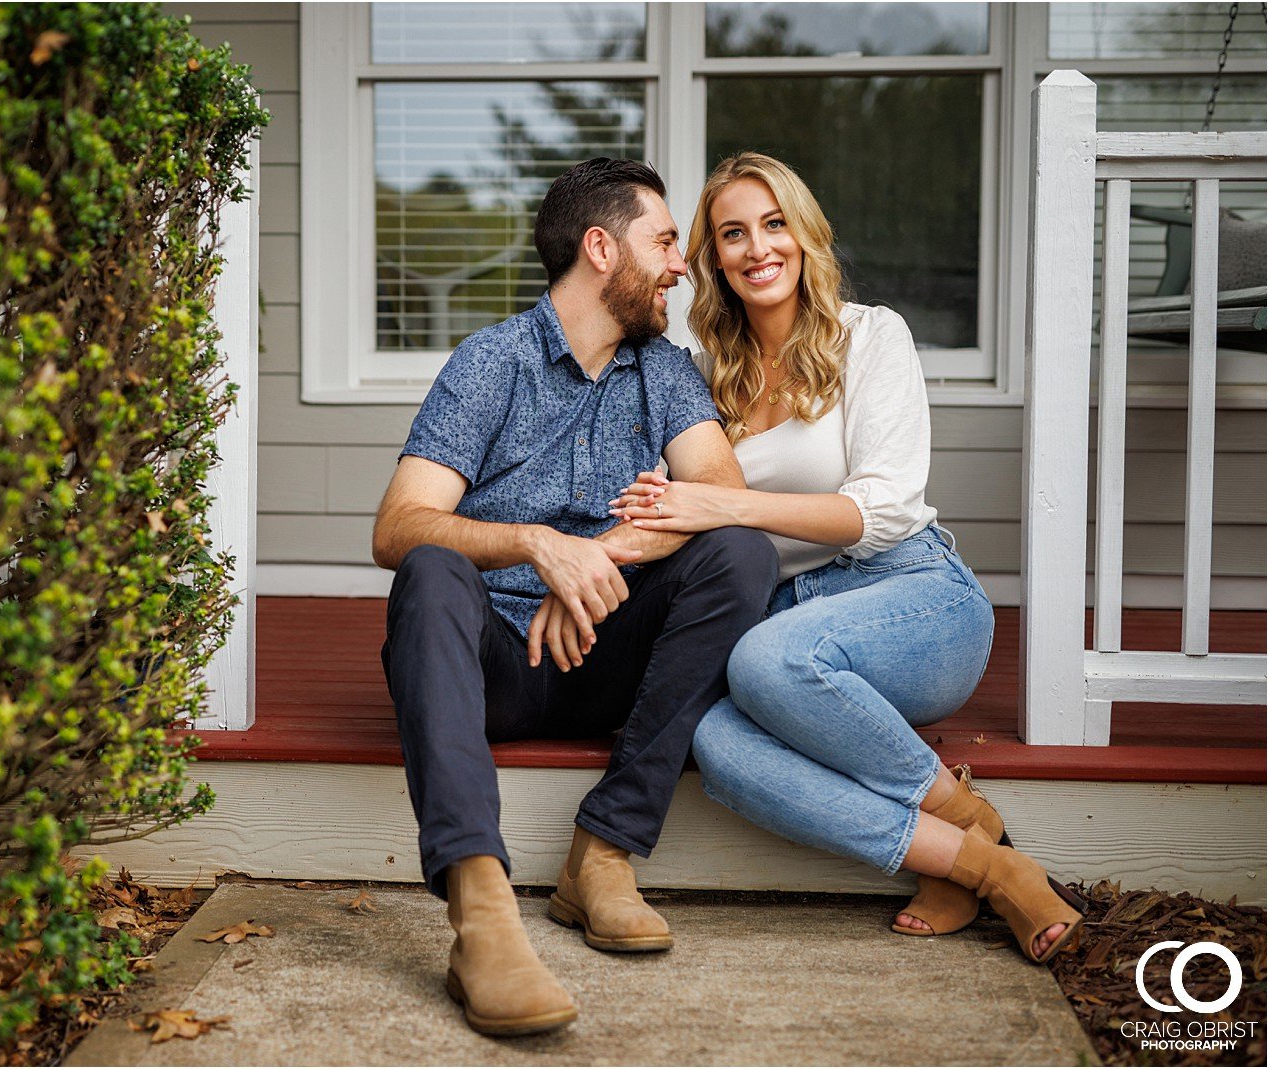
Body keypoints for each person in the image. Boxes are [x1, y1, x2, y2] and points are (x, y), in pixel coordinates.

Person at [608, 152, 1084, 965]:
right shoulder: (699, 381)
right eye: (732, 233)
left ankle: (971, 817)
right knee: (717, 742)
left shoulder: (872, 334)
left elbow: (885, 505)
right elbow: (672, 511)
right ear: (713, 258)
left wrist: (724, 503)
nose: (758, 247)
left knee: (764, 659)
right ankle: (980, 860)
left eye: (773, 223)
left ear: (804, 234)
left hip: (912, 593)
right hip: (792, 625)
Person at [372, 157, 778, 1036]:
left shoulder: (662, 369)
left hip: (608, 651)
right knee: (431, 569)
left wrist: (590, 561)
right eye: (665, 241)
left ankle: (602, 854)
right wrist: (534, 545)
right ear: (602, 248)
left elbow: (716, 493)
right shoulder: (491, 363)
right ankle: (481, 916)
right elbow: (398, 525)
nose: (683, 264)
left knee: (740, 552)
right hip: (498, 667)